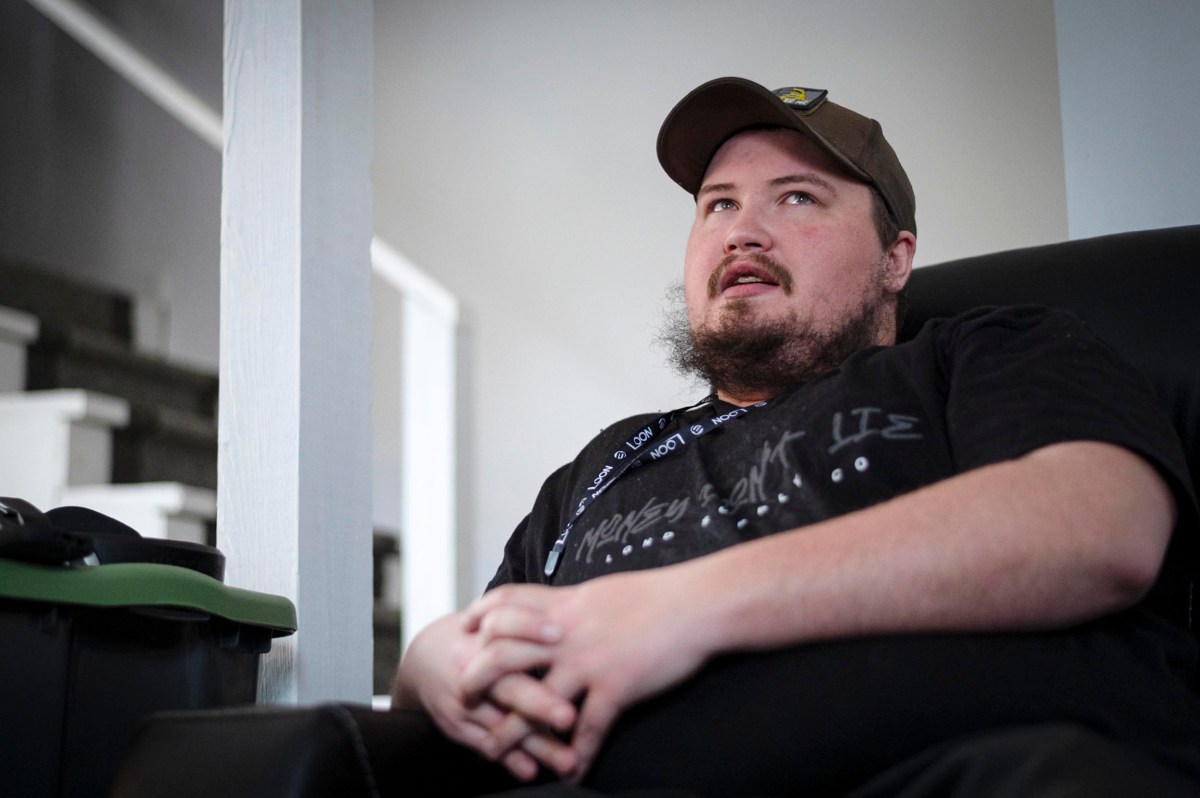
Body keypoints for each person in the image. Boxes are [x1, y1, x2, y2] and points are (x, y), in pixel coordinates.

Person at [392, 77, 1200, 796]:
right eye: (719, 204)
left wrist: (678, 609)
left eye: (797, 197)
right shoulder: (606, 463)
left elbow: (1096, 528)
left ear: (895, 256)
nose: (742, 232)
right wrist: (426, 662)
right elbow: (479, 661)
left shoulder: (986, 352)